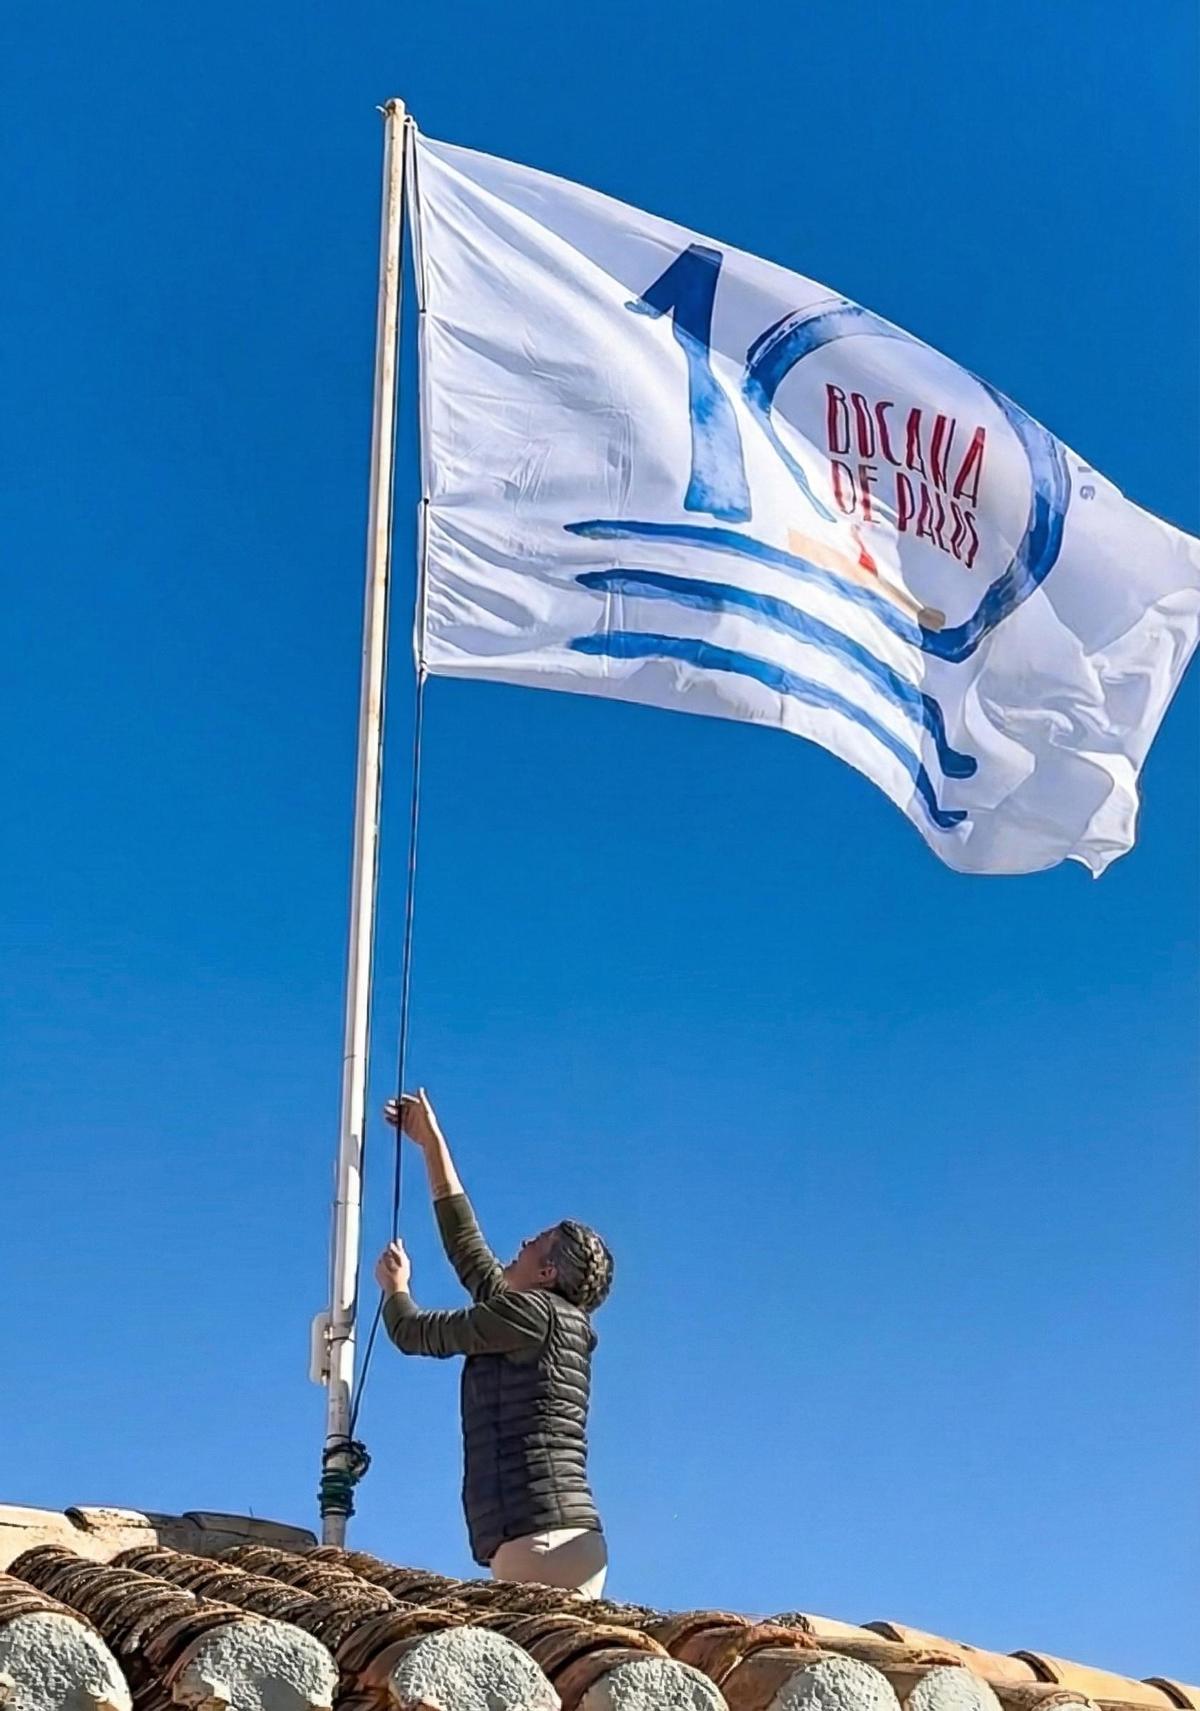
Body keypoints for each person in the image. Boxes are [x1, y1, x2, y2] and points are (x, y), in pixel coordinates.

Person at [374, 1089, 614, 1597]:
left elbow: (415, 1334)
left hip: (536, 1538)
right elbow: (471, 1254)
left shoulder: (531, 1314)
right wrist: (430, 1144)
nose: (524, 1241)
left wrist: (396, 1293)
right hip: (570, 1539)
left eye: (537, 1242)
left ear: (547, 1272)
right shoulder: (546, 1320)